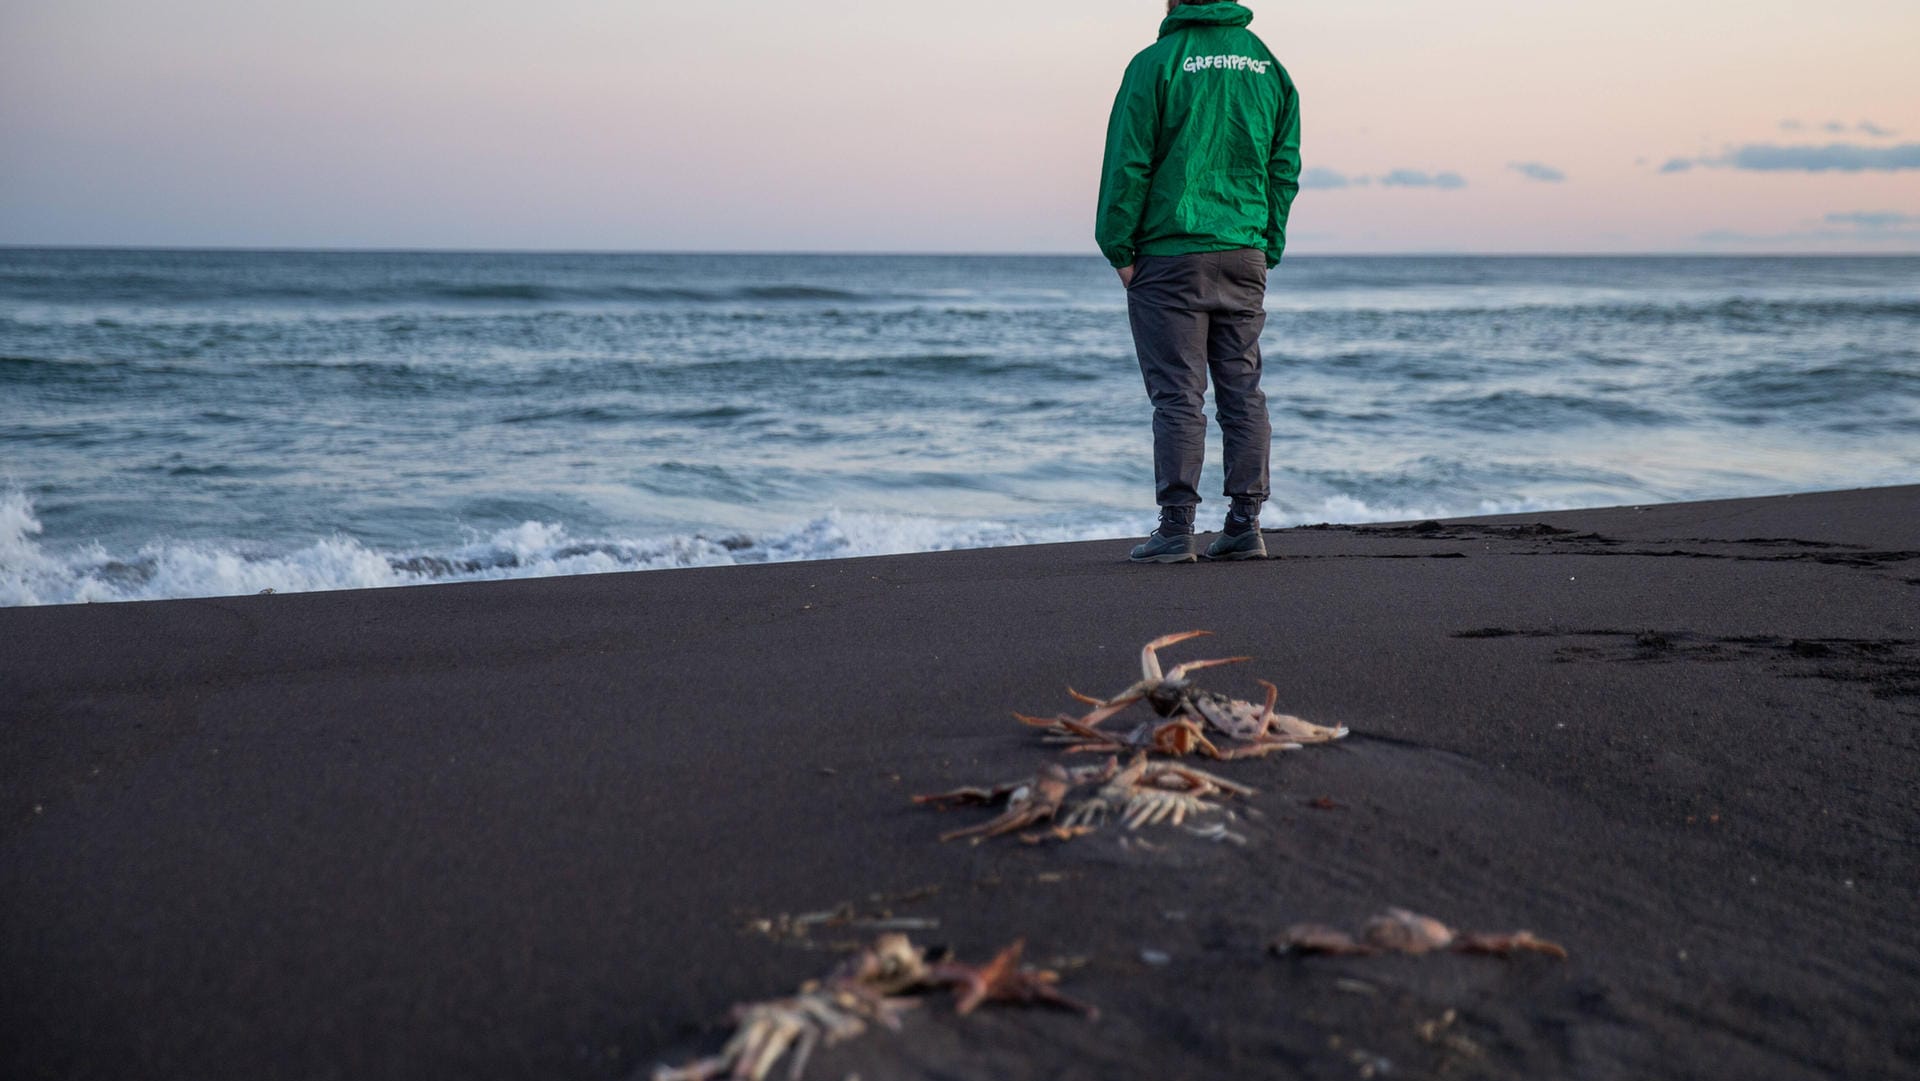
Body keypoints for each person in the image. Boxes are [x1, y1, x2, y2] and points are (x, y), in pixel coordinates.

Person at [1096, 0, 1301, 563]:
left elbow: (1127, 161)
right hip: (1243, 248)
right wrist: (1269, 245)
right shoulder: (1268, 65)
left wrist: (1118, 247)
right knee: (1242, 390)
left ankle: (1176, 529)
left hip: (1171, 250)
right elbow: (1283, 169)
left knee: (1178, 395)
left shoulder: (1155, 62)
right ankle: (1244, 525)